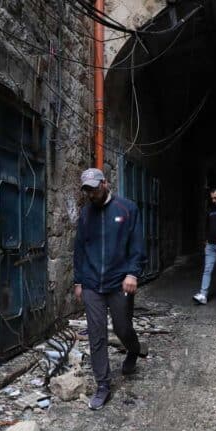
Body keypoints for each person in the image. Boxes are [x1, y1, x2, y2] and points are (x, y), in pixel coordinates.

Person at [73, 168, 149, 410]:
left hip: (119, 281)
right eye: (87, 190)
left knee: (122, 327)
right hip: (92, 284)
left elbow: (137, 244)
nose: (91, 194)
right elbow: (79, 250)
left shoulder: (127, 209)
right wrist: (78, 281)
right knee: (97, 334)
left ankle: (134, 350)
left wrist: (132, 272)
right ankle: (103, 384)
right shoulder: (85, 214)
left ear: (105, 183)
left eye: (94, 188)